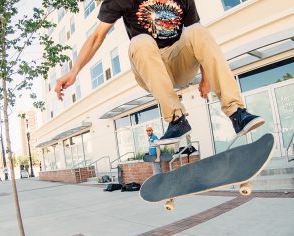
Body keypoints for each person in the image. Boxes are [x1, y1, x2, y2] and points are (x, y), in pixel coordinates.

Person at [55, 0, 264, 145]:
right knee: (140, 41)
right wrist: (75, 71)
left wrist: (205, 78)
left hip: (179, 63)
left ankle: (236, 112)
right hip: (149, 66)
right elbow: (96, 37)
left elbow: (198, 39)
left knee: (198, 29)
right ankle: (177, 120)